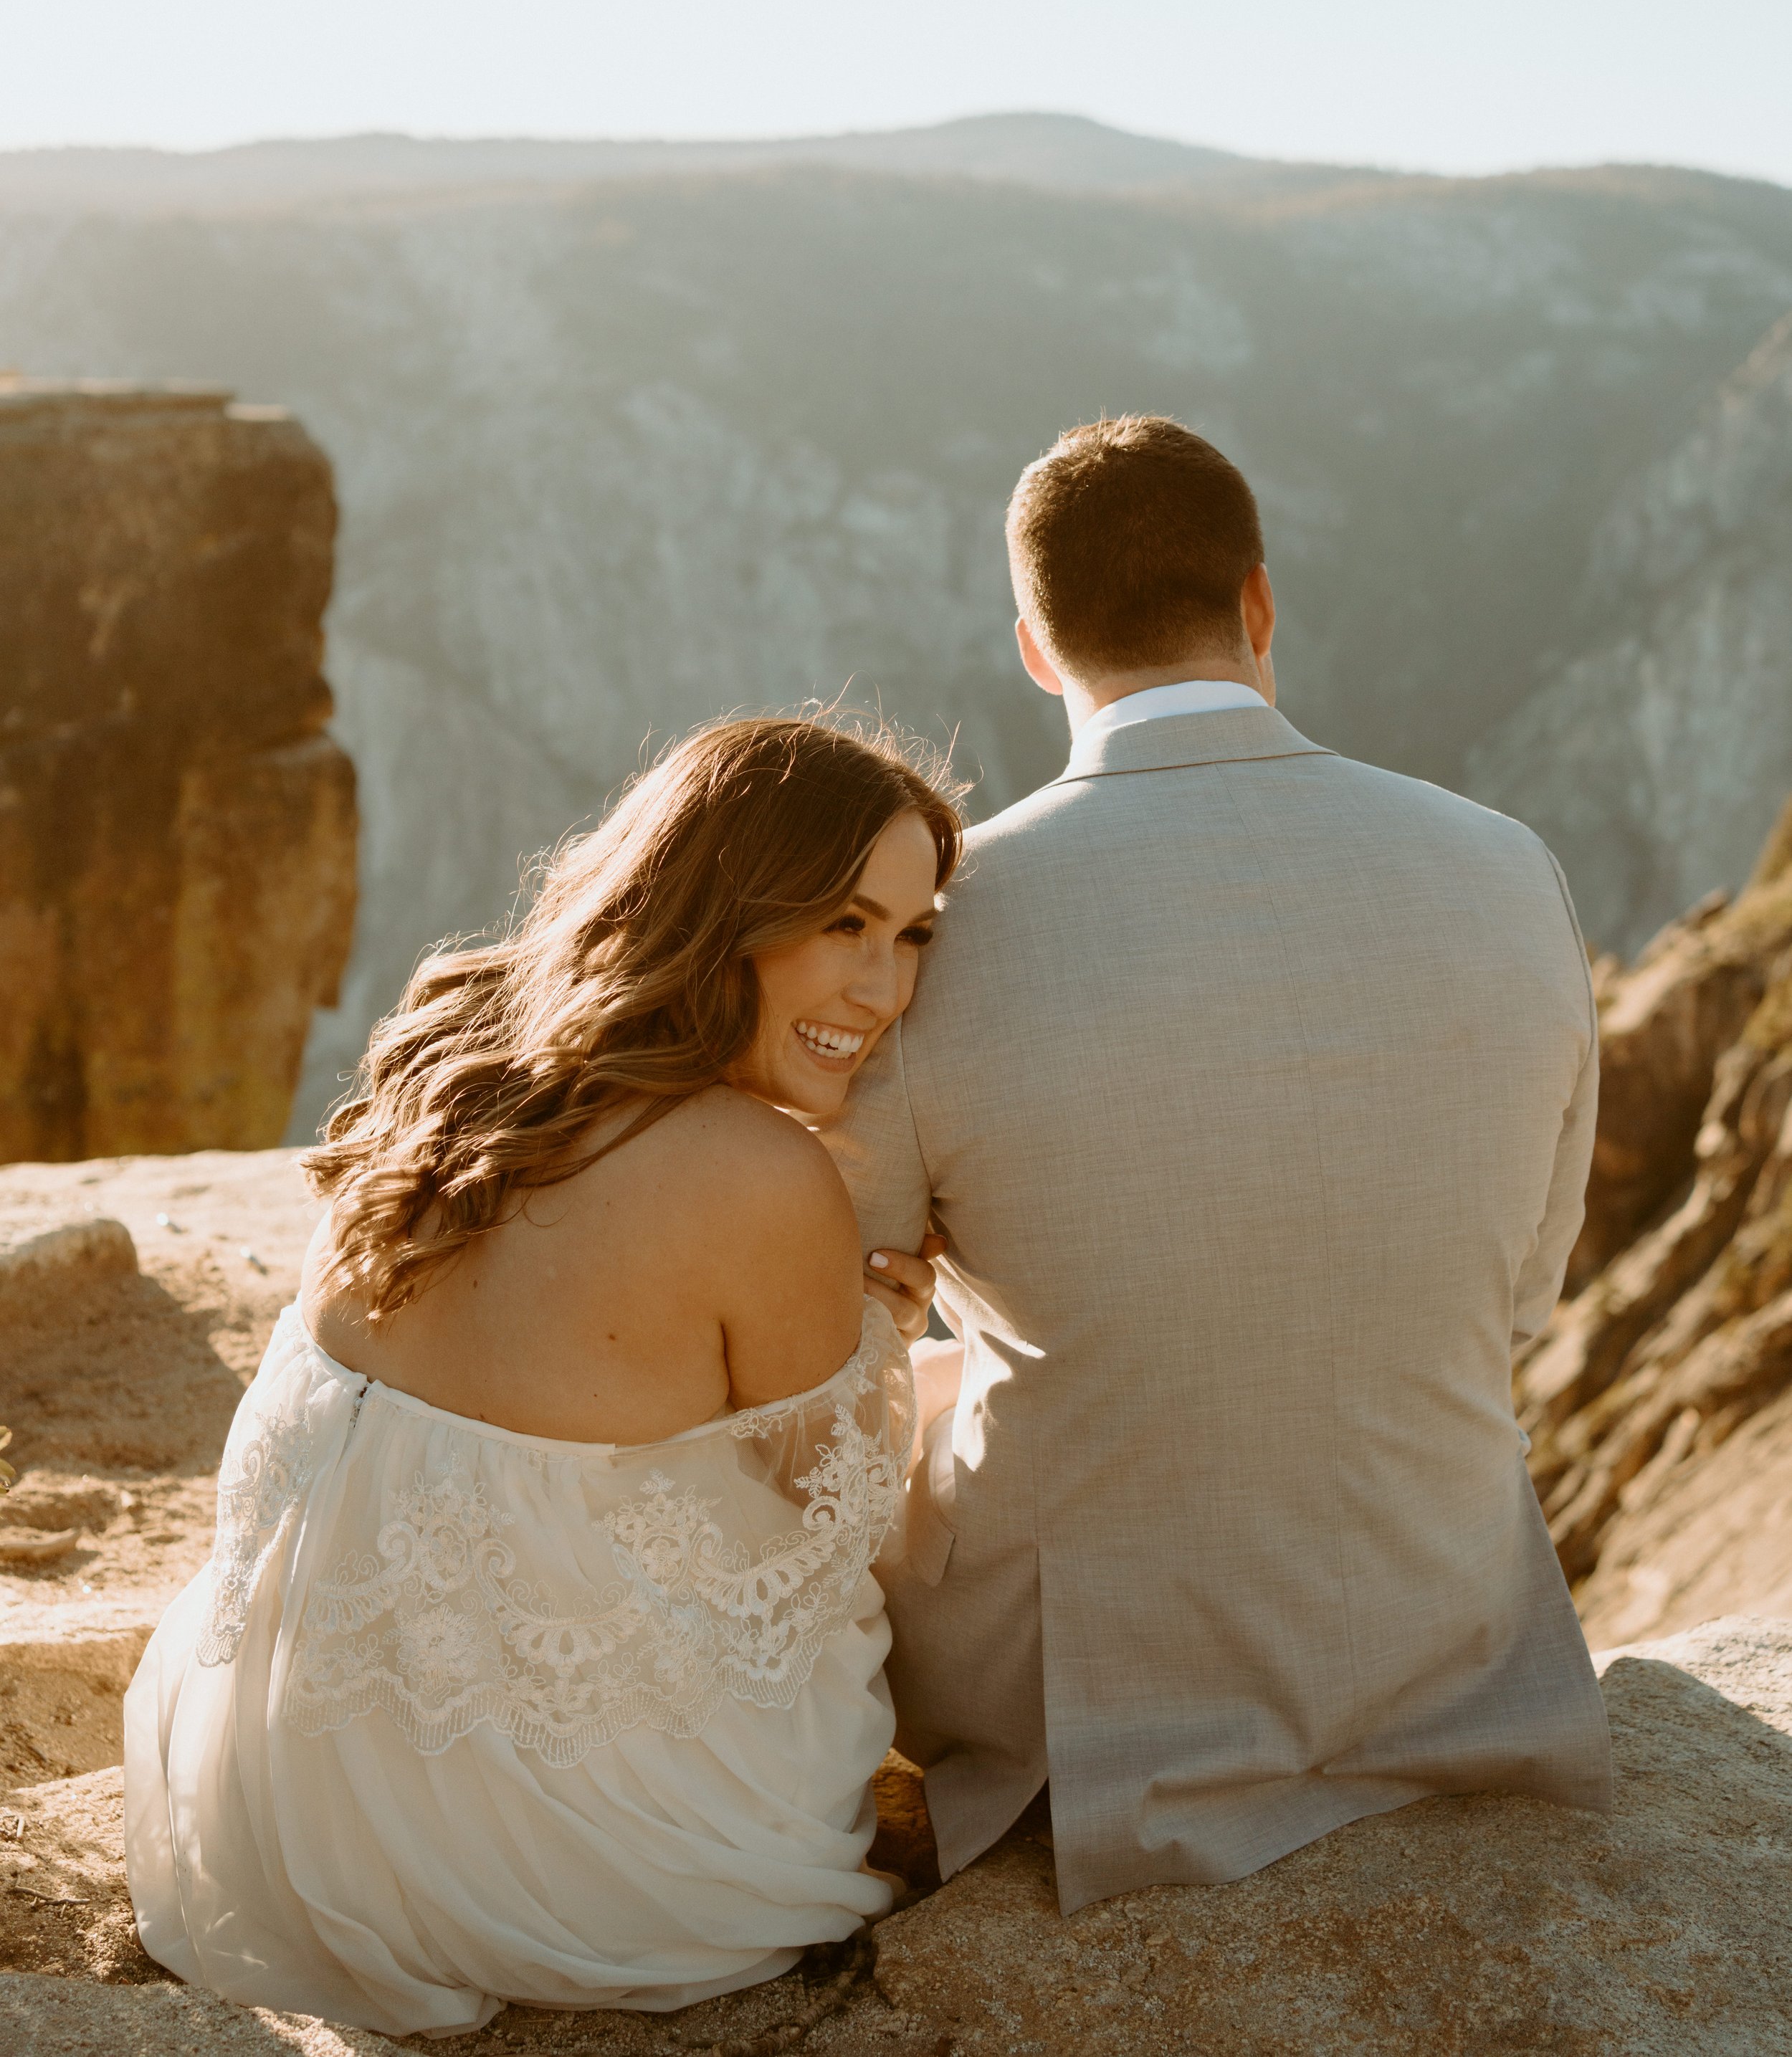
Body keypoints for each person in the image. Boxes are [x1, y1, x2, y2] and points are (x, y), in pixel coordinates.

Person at [826, 414, 1614, 1914]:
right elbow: (1519, 1294)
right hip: (1436, 1632)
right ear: (1257, 606)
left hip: (1085, 1698)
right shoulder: (1508, 864)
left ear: (1036, 651)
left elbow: (833, 1322)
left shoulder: (934, 924)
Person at [124, 716, 956, 2038]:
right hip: (605, 1873)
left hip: (283, 1818)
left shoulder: (450, 1054)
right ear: (727, 904)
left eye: (912, 935)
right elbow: (828, 1523)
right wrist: (883, 1342)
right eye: (843, 924)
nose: (882, 990)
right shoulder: (759, 1171)